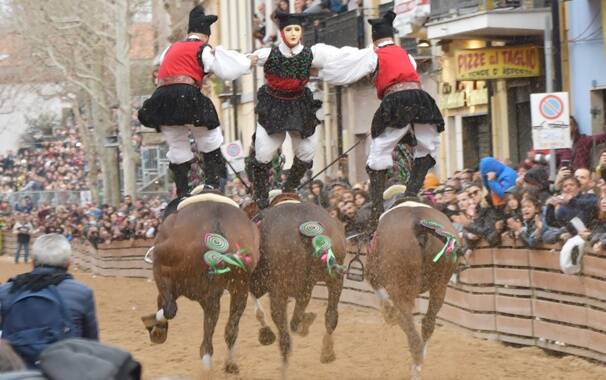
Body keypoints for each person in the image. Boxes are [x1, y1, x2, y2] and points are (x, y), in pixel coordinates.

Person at [319, 11, 444, 233]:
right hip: (420, 98)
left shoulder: (373, 55)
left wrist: (325, 73)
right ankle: (412, 191)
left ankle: (376, 209)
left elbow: (345, 73)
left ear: (374, 39)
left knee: (379, 153)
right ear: (392, 38)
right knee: (427, 146)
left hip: (395, 101)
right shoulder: (406, 54)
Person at [138, 6, 253, 199]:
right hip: (187, 94)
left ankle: (183, 192)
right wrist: (248, 62)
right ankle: (212, 183)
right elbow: (224, 70)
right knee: (209, 139)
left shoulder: (170, 48)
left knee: (177, 145)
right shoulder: (203, 49)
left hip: (163, 96)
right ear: (206, 36)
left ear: (189, 32)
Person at [248, 12, 350, 208]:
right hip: (274, 104)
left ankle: (290, 187)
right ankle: (261, 195)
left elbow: (339, 58)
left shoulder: (312, 54)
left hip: (299, 104)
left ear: (301, 32)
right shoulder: (268, 54)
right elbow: (246, 61)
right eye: (288, 29)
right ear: (281, 32)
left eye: (296, 29)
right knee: (263, 151)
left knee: (306, 151)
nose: (293, 33)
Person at [0, 234, 99, 367]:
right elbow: (91, 343)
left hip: (18, 370)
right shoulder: (81, 292)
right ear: (68, 263)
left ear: (32, 261)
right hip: (64, 368)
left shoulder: (7, 290)